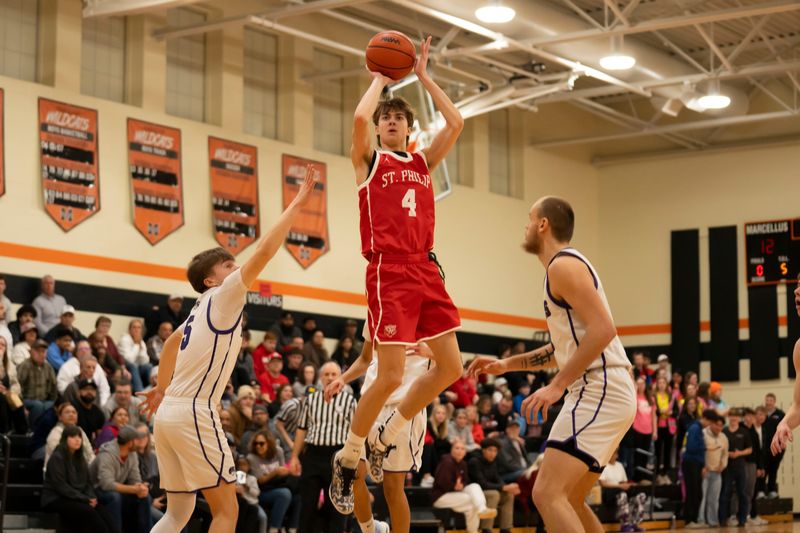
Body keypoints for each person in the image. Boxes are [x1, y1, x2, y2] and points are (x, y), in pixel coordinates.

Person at [137, 165, 315, 533]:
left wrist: (161, 385)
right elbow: (265, 250)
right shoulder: (222, 296)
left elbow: (171, 342)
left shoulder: (197, 310)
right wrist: (297, 203)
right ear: (210, 280)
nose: (236, 270)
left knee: (178, 513)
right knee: (226, 512)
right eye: (228, 265)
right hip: (193, 412)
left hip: (168, 414)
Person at [330, 35, 465, 515]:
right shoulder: (370, 161)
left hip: (426, 267)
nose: (390, 121)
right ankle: (348, 458)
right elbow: (360, 119)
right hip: (389, 270)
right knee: (387, 376)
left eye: (399, 117)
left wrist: (424, 77)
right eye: (388, 117)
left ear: (409, 128)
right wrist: (380, 79)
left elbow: (457, 121)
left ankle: (389, 431)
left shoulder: (424, 162)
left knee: (450, 367)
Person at [468, 196, 636, 533]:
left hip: (598, 387)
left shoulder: (563, 265)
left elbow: (604, 330)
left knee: (546, 494)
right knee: (569, 498)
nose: (526, 225)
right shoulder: (562, 269)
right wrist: (507, 364)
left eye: (529, 218)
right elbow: (561, 348)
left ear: (543, 224)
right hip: (605, 389)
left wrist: (557, 385)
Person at [325, 326, 431, 533]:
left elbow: (454, 365)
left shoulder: (430, 309)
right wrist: (342, 378)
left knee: (392, 488)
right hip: (371, 399)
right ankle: (371, 529)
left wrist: (432, 353)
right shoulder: (376, 306)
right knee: (353, 470)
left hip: (405, 407)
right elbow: (366, 358)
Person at [289, 361, 355, 533]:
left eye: (334, 374)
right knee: (307, 505)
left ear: (340, 377)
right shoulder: (310, 400)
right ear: (320, 378)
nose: (330, 378)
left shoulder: (349, 400)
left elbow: (356, 432)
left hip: (338, 456)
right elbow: (302, 429)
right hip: (312, 455)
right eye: (326, 374)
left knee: (336, 508)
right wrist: (295, 456)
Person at [42, 425, 119, 533]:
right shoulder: (57, 457)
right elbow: (61, 487)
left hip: (76, 498)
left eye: (79, 436)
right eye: (73, 436)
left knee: (102, 510)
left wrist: (91, 497)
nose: (77, 439)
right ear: (65, 439)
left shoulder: (80, 458)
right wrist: (84, 499)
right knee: (89, 512)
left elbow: (87, 483)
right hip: (55, 498)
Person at [90, 425, 152, 532]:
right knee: (115, 497)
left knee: (145, 496)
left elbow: (134, 478)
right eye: (137, 439)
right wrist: (134, 489)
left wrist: (140, 487)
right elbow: (106, 484)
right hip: (96, 490)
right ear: (130, 442)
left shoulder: (132, 453)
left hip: (117, 489)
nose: (140, 441)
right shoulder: (107, 455)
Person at [432, 438, 497, 533]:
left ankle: (482, 509)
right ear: (451, 450)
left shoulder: (463, 464)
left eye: (462, 449)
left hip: (455, 494)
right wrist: (454, 486)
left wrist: (461, 485)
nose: (459, 451)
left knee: (474, 486)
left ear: (465, 452)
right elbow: (441, 483)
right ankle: (476, 522)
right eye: (457, 448)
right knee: (471, 500)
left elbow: (466, 481)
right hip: (440, 496)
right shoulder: (447, 462)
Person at [247, 430, 299, 533]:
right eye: (255, 443)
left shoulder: (278, 451)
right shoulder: (251, 457)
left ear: (269, 443)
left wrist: (287, 471)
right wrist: (275, 472)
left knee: (298, 497)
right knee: (284, 494)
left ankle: (292, 529)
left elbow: (283, 470)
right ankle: (274, 529)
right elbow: (260, 481)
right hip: (261, 491)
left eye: (261, 443)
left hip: (278, 485)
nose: (258, 446)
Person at [468, 437, 519, 533]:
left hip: (488, 489)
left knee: (509, 495)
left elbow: (497, 478)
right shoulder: (474, 461)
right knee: (494, 494)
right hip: (475, 493)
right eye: (490, 450)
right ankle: (486, 529)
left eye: (495, 451)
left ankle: (505, 529)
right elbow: (482, 484)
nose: (493, 453)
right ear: (483, 450)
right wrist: (503, 487)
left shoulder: (493, 462)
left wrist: (508, 488)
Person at [720, 409, 753, 527]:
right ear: (728, 417)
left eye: (736, 417)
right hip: (726, 467)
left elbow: (749, 449)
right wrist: (727, 453)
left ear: (739, 418)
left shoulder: (744, 432)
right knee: (725, 493)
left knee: (742, 493)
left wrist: (739, 453)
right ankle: (723, 519)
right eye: (731, 416)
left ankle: (742, 519)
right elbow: (720, 448)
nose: (733, 418)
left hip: (740, 467)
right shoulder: (723, 432)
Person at [682, 410, 714, 528]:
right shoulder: (695, 428)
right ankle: (689, 520)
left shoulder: (698, 429)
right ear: (704, 418)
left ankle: (694, 519)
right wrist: (705, 447)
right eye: (709, 422)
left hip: (696, 463)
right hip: (691, 463)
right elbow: (690, 447)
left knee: (697, 493)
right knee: (692, 492)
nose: (709, 425)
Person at [17, 338, 58, 425]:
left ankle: (44, 430)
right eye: (38, 351)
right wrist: (22, 405)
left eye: (43, 351)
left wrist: (53, 401)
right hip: (26, 400)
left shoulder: (48, 367)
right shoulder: (25, 365)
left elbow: (53, 388)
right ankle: (32, 429)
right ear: (31, 351)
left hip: (44, 400)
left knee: (50, 405)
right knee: (38, 405)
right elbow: (18, 386)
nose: (41, 354)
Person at [697, 412, 727, 528]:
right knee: (702, 498)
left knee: (714, 499)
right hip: (705, 471)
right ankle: (701, 521)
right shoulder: (703, 434)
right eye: (716, 425)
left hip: (717, 472)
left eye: (721, 426)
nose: (718, 428)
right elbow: (700, 451)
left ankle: (713, 521)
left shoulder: (723, 437)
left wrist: (722, 465)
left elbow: (725, 454)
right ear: (711, 424)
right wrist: (703, 466)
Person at [58, 340, 111, 406]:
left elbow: (104, 389)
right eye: (81, 349)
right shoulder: (67, 369)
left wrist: (102, 405)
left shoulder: (97, 366)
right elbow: (62, 388)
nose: (84, 351)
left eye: (86, 349)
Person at [45, 402, 95, 470]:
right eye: (67, 412)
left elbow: (90, 453)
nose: (71, 414)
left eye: (74, 412)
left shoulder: (80, 430)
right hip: (58, 471)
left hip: (81, 469)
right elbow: (59, 458)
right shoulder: (55, 433)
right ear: (60, 417)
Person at [631, 376, 656, 482]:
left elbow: (654, 416)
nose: (641, 386)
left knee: (646, 454)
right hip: (637, 429)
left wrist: (655, 431)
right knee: (638, 455)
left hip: (648, 430)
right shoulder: (634, 397)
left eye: (642, 383)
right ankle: (637, 477)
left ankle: (643, 477)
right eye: (639, 383)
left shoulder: (650, 398)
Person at [0, 335, 26, 434]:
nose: (1, 346)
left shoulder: (9, 364)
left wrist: (10, 392)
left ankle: (22, 433)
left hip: (5, 393)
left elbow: (16, 384)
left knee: (16, 399)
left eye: (3, 345)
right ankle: (4, 432)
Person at [236, 456, 268, 533]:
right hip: (242, 503)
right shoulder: (235, 477)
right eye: (240, 465)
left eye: (244, 465)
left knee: (263, 517)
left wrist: (247, 487)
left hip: (253, 503)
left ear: (249, 467)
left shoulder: (252, 479)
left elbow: (257, 493)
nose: (242, 467)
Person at [653, 375, 676, 484]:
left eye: (663, 383)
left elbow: (676, 412)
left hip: (669, 427)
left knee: (667, 451)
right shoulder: (654, 396)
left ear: (666, 385)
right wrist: (660, 412)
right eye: (660, 383)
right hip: (658, 426)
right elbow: (655, 411)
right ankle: (657, 474)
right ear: (657, 384)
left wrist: (671, 413)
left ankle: (665, 473)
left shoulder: (670, 396)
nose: (661, 385)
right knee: (658, 451)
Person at [118, 319, 151, 391]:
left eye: (139, 327)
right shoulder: (124, 339)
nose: (136, 330)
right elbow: (129, 359)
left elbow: (145, 361)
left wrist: (141, 347)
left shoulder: (141, 341)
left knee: (148, 366)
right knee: (133, 365)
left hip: (137, 366)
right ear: (130, 329)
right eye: (134, 327)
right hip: (125, 367)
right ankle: (139, 391)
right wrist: (136, 345)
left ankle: (153, 391)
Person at [767, 391, 789, 499]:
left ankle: (771, 490)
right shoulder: (762, 414)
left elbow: (785, 429)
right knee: (763, 469)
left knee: (773, 468)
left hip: (777, 446)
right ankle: (761, 491)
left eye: (770, 400)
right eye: (767, 400)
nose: (768, 402)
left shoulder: (780, 414)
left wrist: (783, 442)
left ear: (774, 402)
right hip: (764, 448)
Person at [71, 378, 107, 445]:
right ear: (79, 392)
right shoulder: (72, 409)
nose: (89, 392)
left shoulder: (98, 413)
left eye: (92, 389)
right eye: (86, 389)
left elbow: (99, 437)